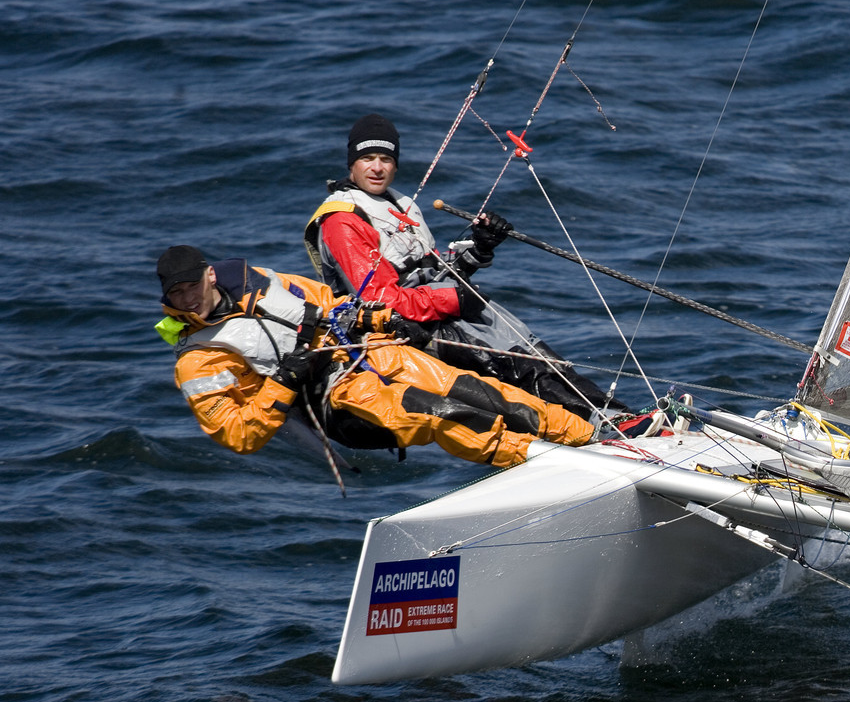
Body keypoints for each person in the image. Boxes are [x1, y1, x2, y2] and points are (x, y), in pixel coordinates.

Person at [303, 114, 630, 417]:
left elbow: (432, 273)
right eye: (367, 159)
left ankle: (617, 416)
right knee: (515, 363)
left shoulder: (394, 204)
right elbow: (380, 299)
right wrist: (453, 299)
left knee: (536, 353)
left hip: (435, 311)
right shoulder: (342, 221)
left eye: (386, 159)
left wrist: (480, 247)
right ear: (352, 164)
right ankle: (601, 423)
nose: (377, 168)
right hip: (399, 333)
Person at [154, 245, 594, 468]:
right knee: (446, 414)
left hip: (367, 356)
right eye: (176, 293)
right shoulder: (197, 360)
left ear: (210, 275)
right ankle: (548, 459)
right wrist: (283, 382)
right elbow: (237, 436)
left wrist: (384, 321)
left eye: (191, 286)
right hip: (334, 402)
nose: (187, 298)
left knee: (486, 393)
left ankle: (589, 438)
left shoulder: (258, 280)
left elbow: (329, 304)